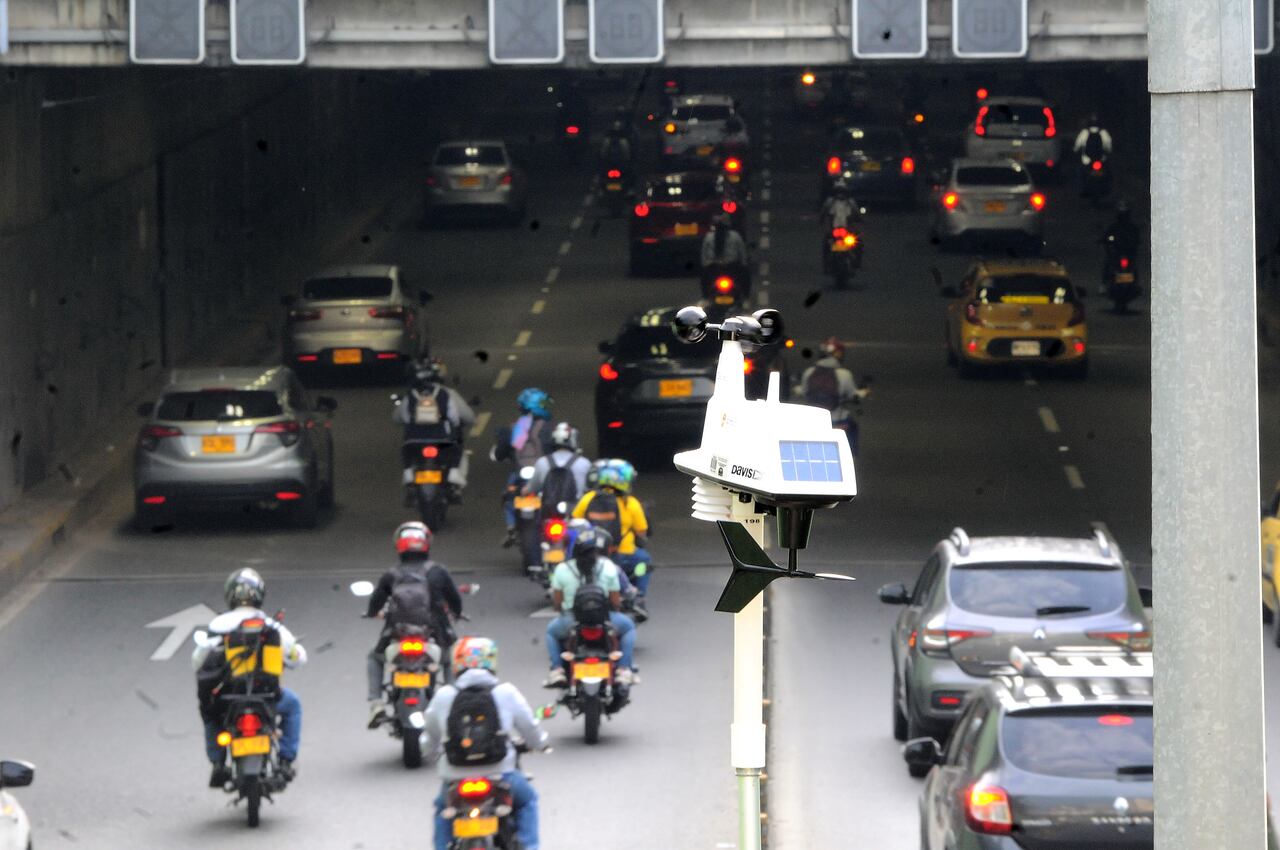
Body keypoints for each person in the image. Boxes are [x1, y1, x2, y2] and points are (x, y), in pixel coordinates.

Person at [425, 637, 549, 850]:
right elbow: (529, 727)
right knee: (527, 801)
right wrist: (539, 743)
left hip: (455, 776)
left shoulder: (444, 696)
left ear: (457, 663)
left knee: (441, 808)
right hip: (501, 773)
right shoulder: (506, 692)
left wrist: (430, 751)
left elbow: (430, 737)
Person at [193, 568, 306, 788]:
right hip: (268, 696)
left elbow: (198, 660)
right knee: (293, 707)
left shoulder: (218, 626)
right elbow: (296, 658)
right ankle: (285, 760)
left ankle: (217, 763)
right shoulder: (272, 626)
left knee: (210, 713)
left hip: (228, 697)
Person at [365, 522, 464, 727]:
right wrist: (456, 613)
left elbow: (375, 604)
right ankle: (453, 703)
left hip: (397, 633)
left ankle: (377, 704)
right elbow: (455, 601)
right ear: (426, 544)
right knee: (451, 657)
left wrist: (373, 613)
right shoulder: (438, 572)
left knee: (375, 658)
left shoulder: (391, 575)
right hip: (435, 633)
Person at [544, 529, 637, 687]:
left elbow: (557, 603)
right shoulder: (608, 567)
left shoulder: (562, 569)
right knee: (629, 628)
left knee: (551, 632)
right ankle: (623, 670)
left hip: (571, 620)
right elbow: (615, 601)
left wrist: (562, 611)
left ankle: (557, 670)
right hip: (605, 620)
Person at [393, 358, 476, 501]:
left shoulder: (411, 395)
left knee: (408, 453)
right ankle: (454, 476)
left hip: (413, 441)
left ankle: (408, 476)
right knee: (458, 450)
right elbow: (456, 418)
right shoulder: (447, 393)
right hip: (443, 440)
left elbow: (401, 418)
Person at [572, 461, 652, 603]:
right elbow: (642, 532)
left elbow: (575, 522)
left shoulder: (588, 498)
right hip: (622, 553)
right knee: (644, 561)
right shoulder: (631, 503)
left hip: (589, 552)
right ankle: (638, 596)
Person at [491, 388, 553, 547]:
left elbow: (499, 454)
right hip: (544, 475)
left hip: (520, 474)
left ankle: (511, 527)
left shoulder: (514, 428)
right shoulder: (550, 429)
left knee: (508, 496)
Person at [799, 337, 869, 456]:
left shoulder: (809, 372)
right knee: (853, 428)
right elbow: (853, 395)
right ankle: (851, 457)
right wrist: (864, 392)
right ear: (838, 354)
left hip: (814, 420)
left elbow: (804, 392)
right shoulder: (844, 374)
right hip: (838, 419)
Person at [524, 422, 593, 516]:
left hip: (548, 513)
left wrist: (524, 490)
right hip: (576, 513)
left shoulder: (542, 462)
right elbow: (590, 488)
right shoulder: (584, 463)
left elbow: (532, 488)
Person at [1100, 201, 1141, 294]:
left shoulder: (1132, 228)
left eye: (1125, 214)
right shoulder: (1114, 226)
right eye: (1122, 214)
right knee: (1108, 264)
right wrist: (1106, 240)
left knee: (1133, 266)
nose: (1123, 217)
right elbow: (1107, 236)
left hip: (1129, 252)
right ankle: (1104, 283)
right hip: (1117, 252)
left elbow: (1137, 238)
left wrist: (1135, 243)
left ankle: (1135, 284)